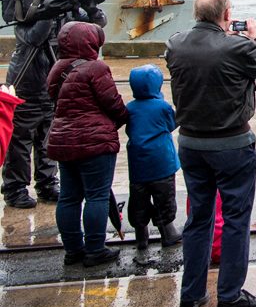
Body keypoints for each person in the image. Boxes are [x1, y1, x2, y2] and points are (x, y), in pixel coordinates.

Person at [167, 0, 256, 307]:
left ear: (196, 13)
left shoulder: (175, 44)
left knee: (198, 218)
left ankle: (190, 295)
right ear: (227, 14)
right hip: (232, 144)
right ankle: (230, 296)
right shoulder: (237, 47)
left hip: (191, 144)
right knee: (236, 219)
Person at [46, 21, 128, 267]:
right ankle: (95, 249)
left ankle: (73, 250)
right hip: (95, 144)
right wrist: (123, 119)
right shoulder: (96, 68)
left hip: (63, 141)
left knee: (69, 197)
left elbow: (53, 98)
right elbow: (113, 103)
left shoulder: (57, 68)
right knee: (97, 196)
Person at [124, 64, 181, 250]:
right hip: (162, 162)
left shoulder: (130, 108)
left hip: (138, 165)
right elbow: (172, 124)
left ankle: (141, 235)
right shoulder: (162, 106)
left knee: (138, 199)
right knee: (164, 198)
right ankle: (167, 232)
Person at [2, 20, 59, 209]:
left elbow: (95, 24)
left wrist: (87, 11)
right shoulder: (23, 15)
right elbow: (35, 38)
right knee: (20, 141)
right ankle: (15, 189)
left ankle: (48, 184)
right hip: (25, 84)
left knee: (47, 139)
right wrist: (47, 17)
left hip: (49, 84)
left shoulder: (61, 14)